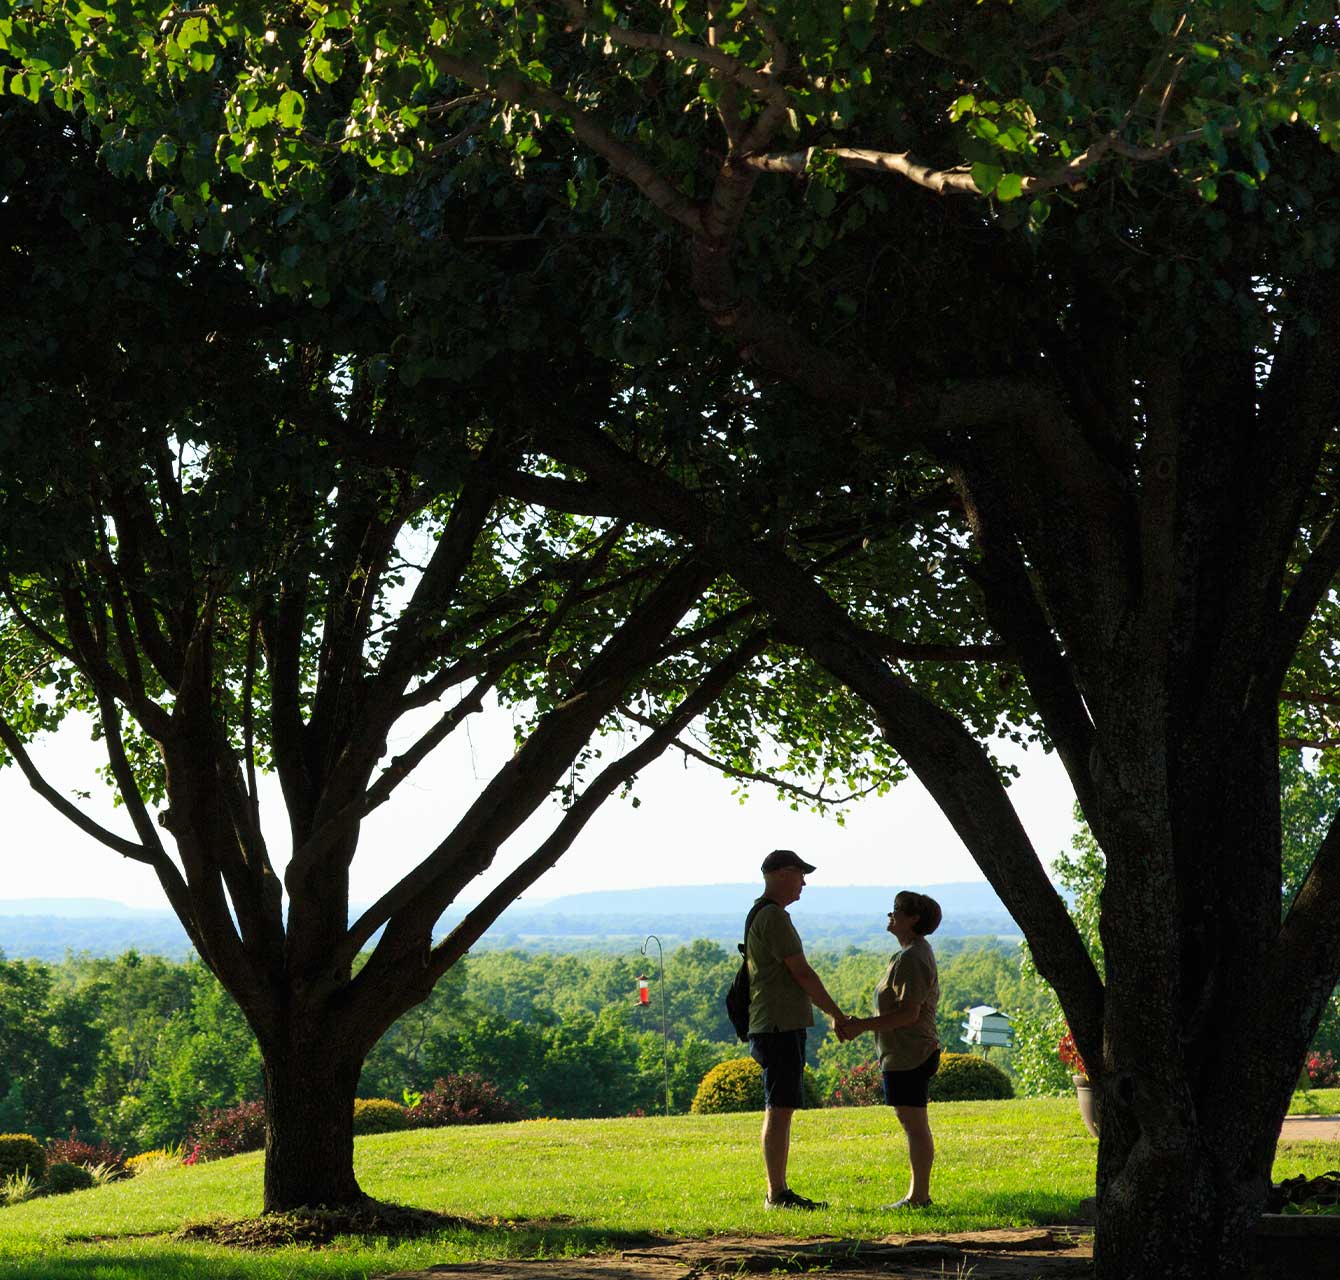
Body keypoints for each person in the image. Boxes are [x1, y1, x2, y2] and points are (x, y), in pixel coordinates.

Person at [746, 848, 847, 1211]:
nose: (803, 882)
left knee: (782, 1106)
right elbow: (802, 972)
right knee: (780, 1107)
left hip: (773, 1024)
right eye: (800, 873)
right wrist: (836, 1013)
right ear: (781, 873)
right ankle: (778, 1194)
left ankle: (779, 1191)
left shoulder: (763, 913)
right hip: (778, 1026)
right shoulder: (774, 917)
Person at [838, 889, 942, 1209]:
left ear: (913, 919)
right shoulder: (907, 954)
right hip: (901, 1053)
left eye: (896, 910)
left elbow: (909, 1014)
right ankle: (917, 1195)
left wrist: (861, 1026)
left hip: (912, 1052)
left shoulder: (913, 958)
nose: (890, 915)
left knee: (915, 1125)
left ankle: (918, 1196)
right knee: (911, 1122)